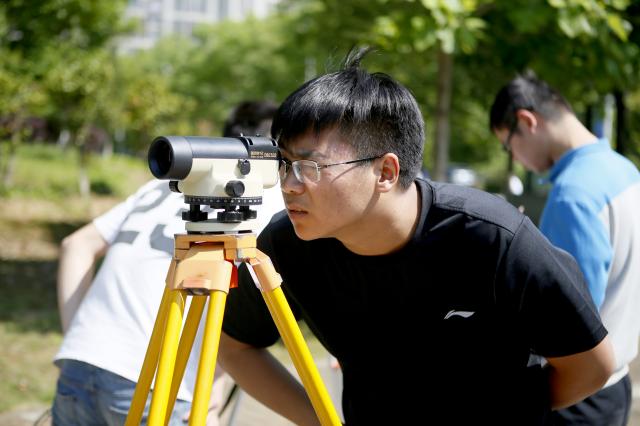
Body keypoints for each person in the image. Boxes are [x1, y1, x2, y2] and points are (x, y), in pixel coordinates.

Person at [216, 48, 615, 425]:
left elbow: (591, 366)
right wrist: (323, 419)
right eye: (284, 164)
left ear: (386, 172)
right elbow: (234, 347)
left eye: (309, 167)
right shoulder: (285, 245)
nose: (288, 184)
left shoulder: (491, 236)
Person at [51, 100, 284, 425]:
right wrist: (214, 386)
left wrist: (78, 337)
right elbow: (245, 303)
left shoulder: (168, 184)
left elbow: (76, 244)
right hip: (160, 383)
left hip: (80, 360)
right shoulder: (271, 197)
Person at [490, 74, 640, 425]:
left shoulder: (572, 195)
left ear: (527, 121)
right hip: (615, 384)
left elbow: (565, 322)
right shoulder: (625, 170)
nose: (516, 159)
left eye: (508, 146)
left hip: (577, 394)